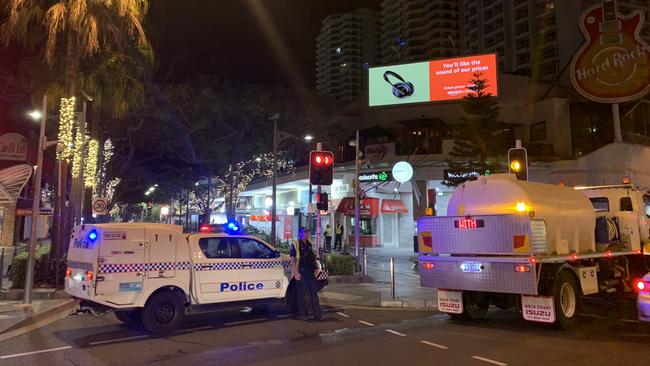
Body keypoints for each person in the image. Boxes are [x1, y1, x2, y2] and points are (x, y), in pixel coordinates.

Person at [290, 228, 323, 321]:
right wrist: (295, 272)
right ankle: (302, 314)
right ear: (300, 234)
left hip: (310, 272)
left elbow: (312, 257)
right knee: (301, 294)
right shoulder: (295, 244)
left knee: (314, 293)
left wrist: (316, 267)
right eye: (305, 232)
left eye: (308, 232)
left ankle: (317, 315)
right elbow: (292, 258)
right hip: (301, 271)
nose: (307, 234)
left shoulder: (309, 244)